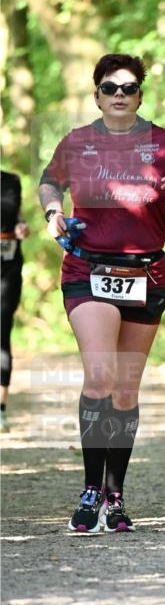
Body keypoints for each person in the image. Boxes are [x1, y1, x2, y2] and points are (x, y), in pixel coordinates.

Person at [39, 53, 165, 533]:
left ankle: (115, 495)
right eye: (109, 88)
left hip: (145, 274)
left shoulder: (163, 143)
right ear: (96, 96)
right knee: (100, 376)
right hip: (87, 269)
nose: (119, 95)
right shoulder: (78, 142)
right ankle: (90, 490)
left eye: (128, 88)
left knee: (126, 387)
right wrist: (53, 212)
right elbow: (49, 183)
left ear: (139, 96)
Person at [1, 170, 29, 431]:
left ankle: (1, 409)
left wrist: (21, 225)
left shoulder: (11, 181)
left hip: (7, 268)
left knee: (2, 332)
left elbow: (15, 215)